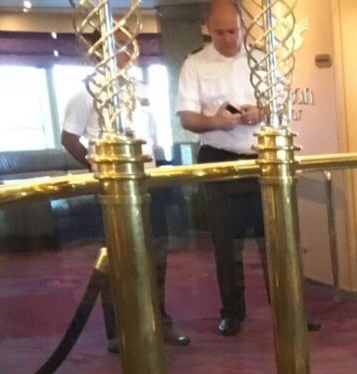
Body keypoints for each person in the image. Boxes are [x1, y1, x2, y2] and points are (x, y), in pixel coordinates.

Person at [60, 31, 188, 352]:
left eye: (130, 45)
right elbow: (69, 138)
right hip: (113, 188)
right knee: (117, 260)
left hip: (149, 182)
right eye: (119, 46)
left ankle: (160, 323)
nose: (129, 51)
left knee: (157, 256)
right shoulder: (85, 92)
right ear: (99, 51)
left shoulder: (139, 88)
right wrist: (98, 168)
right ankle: (120, 331)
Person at [176, 0, 264, 337]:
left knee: (274, 240)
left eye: (233, 31)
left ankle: (289, 309)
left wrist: (261, 111)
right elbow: (187, 118)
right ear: (207, 29)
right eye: (220, 32)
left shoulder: (259, 59)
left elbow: (278, 102)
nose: (228, 38)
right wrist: (215, 120)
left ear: (243, 26)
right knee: (226, 244)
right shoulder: (194, 64)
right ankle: (232, 312)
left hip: (259, 159)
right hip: (218, 160)